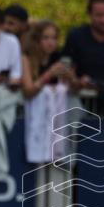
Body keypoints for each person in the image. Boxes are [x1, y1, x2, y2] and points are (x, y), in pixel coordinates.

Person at [22, 20, 75, 164]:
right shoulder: (26, 58)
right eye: (46, 38)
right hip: (35, 116)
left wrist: (70, 76)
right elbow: (28, 91)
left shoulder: (60, 58)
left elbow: (74, 87)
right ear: (37, 39)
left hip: (57, 119)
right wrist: (48, 75)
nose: (51, 42)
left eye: (54, 38)